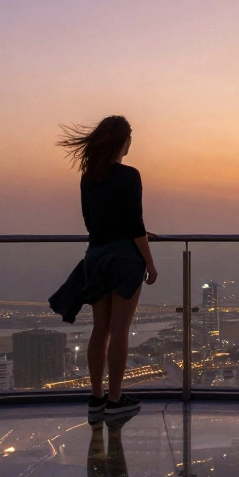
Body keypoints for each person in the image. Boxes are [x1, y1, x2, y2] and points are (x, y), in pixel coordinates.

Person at [49, 115, 156, 420]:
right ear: (124, 142)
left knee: (101, 330)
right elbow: (134, 223)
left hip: (96, 256)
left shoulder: (88, 177)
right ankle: (116, 399)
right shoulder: (129, 175)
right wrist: (150, 262)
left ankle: (96, 398)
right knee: (120, 330)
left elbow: (92, 223)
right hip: (124, 258)